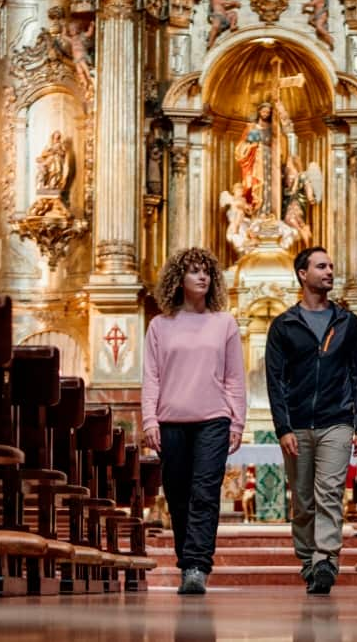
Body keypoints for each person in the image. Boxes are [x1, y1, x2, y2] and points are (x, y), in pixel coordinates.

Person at [266, 247, 357, 595]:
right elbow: (275, 381)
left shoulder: (347, 323)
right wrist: (282, 428)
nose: (329, 271)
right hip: (297, 423)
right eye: (321, 266)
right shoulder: (284, 325)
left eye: (331, 265)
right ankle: (308, 560)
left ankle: (326, 559)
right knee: (302, 500)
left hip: (336, 421)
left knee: (328, 493)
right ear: (302, 273)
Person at [142, 247, 246, 595]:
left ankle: (196, 566)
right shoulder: (159, 325)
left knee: (204, 493)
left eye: (206, 272)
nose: (202, 277)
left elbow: (235, 377)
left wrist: (237, 422)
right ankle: (186, 559)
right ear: (178, 279)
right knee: (178, 494)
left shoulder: (225, 323)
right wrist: (149, 421)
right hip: (171, 420)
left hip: (214, 420)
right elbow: (152, 377)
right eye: (194, 271)